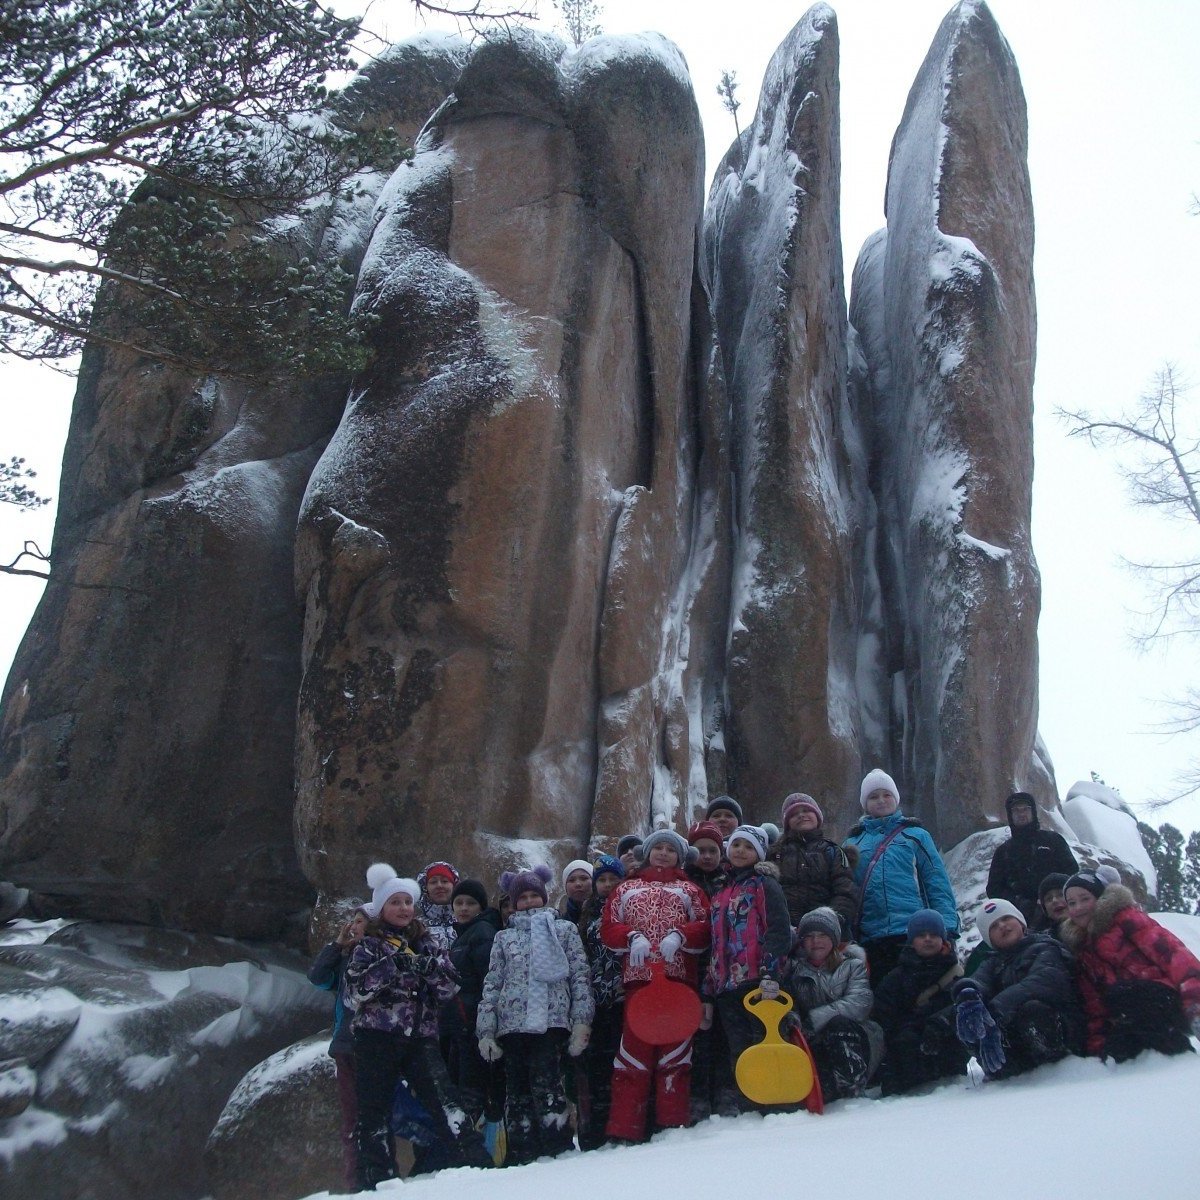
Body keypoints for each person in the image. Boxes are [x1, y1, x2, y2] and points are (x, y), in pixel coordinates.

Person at [345, 863, 491, 1190]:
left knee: (446, 1102)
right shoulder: (368, 945)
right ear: (382, 907)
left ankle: (479, 1167)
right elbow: (355, 993)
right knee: (374, 1112)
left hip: (421, 1037)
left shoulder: (425, 941)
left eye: (408, 902)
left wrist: (427, 967)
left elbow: (449, 987)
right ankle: (378, 1182)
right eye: (395, 902)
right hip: (376, 1037)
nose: (404, 908)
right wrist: (390, 966)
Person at [476, 864, 594, 1165]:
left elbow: (579, 975)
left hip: (551, 1023)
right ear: (513, 902)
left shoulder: (563, 929)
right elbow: (493, 983)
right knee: (516, 1090)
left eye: (534, 895)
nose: (529, 901)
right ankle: (521, 1151)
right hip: (512, 1025)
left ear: (544, 896)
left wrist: (581, 1019)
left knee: (547, 1084)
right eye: (523, 897)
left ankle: (556, 1148)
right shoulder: (505, 937)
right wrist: (486, 1030)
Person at [601, 829, 710, 1142]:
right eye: (658, 848)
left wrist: (682, 935)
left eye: (670, 849)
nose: (663, 853)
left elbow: (705, 925)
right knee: (632, 1056)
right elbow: (608, 927)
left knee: (676, 1056)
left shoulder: (689, 889)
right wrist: (629, 936)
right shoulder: (626, 888)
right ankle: (624, 1129)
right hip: (639, 982)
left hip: (678, 983)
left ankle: (672, 1125)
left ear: (679, 856)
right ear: (647, 853)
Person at [1060, 866, 1200, 1061]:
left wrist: (1194, 1005)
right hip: (1130, 1009)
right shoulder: (1083, 948)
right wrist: (1097, 1046)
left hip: (1167, 999)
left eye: (1085, 899)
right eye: (1072, 903)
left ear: (1100, 898)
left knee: (1121, 993)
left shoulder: (1126, 919)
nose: (1078, 908)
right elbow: (1094, 1001)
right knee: (1118, 1050)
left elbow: (1175, 957)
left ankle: (1181, 1059)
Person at [702, 824, 793, 1111]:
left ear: (759, 853)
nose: (741, 851)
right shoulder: (721, 890)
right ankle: (751, 1098)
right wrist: (708, 989)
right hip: (727, 984)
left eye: (749, 847)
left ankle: (778, 1097)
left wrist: (771, 971)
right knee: (739, 1046)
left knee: (766, 1038)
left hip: (758, 979)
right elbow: (714, 943)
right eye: (737, 845)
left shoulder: (764, 884)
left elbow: (778, 929)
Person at [843, 768, 959, 981]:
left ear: (896, 798)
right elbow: (847, 891)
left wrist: (948, 929)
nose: (881, 800)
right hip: (871, 936)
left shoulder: (916, 836)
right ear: (865, 803)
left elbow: (936, 883)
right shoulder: (853, 843)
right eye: (873, 796)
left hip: (914, 932)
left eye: (886, 794)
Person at [951, 898, 1082, 1080]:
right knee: (967, 1018)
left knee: (1032, 1009)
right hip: (1018, 1040)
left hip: (1060, 1032)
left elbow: (1042, 981)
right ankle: (1001, 1067)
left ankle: (1055, 1067)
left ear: (1021, 923)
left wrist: (994, 1011)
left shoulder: (1046, 947)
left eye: (1006, 918)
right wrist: (968, 996)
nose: (1002, 926)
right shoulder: (993, 963)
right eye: (994, 926)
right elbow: (978, 980)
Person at [782, 906, 884, 1101]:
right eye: (809, 936)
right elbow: (789, 1003)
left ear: (834, 938)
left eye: (822, 935)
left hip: (856, 1036)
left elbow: (859, 1003)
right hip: (815, 1039)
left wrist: (814, 1019)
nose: (815, 941)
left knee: (839, 1025)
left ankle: (852, 1089)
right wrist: (793, 1019)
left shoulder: (852, 965)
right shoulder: (794, 971)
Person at [871, 909, 966, 1096]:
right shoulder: (895, 979)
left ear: (943, 939)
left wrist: (940, 1024)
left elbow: (963, 1007)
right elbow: (884, 1019)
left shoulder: (957, 974)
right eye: (921, 935)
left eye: (933, 934)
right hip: (907, 1055)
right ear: (911, 940)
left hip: (949, 1051)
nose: (928, 939)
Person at [308, 905, 368, 1192]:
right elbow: (318, 978)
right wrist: (336, 946)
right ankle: (355, 1181)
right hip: (346, 1045)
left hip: (375, 1044)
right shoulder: (344, 959)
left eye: (363, 921)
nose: (355, 926)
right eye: (354, 921)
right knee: (352, 1118)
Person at [445, 879, 504, 1129]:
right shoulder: (463, 935)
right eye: (459, 903)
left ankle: (473, 1142)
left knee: (473, 1084)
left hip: (473, 1022)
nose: (464, 908)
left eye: (470, 903)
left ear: (481, 907)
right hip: (462, 1021)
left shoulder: (481, 933)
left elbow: (487, 980)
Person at [577, 854, 626, 1149]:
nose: (607, 885)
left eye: (612, 879)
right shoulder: (588, 912)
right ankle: (597, 1131)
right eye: (602, 880)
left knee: (622, 1063)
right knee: (598, 1066)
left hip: (623, 993)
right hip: (597, 997)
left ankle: (623, 1126)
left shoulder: (629, 904)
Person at [769, 792, 857, 934]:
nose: (801, 815)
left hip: (825, 930)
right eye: (794, 814)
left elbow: (845, 890)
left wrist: (835, 919)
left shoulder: (833, 851)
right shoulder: (776, 853)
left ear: (817, 816)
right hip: (786, 929)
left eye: (806, 810)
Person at [985, 792, 1078, 927]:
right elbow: (994, 889)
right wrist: (1022, 904)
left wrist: (1056, 896)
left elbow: (1072, 872)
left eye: (1025, 809)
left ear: (1033, 811)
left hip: (1061, 910)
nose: (1021, 814)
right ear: (1010, 815)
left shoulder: (1053, 840)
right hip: (1026, 919)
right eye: (1016, 810)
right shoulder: (1003, 852)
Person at [418, 860, 460, 951]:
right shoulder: (416, 926)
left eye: (445, 881)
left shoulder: (466, 920)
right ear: (426, 888)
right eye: (433, 882)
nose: (439, 886)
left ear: (454, 886)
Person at [559, 859, 593, 923]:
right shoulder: (559, 924)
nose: (578, 884)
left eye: (584, 878)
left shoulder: (607, 916)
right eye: (571, 880)